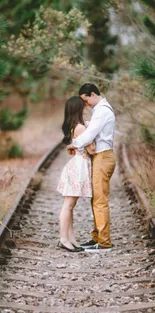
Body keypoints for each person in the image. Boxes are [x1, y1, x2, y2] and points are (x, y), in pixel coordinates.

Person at [67, 83, 116, 251]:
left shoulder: (102, 111)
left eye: (86, 100)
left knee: (100, 201)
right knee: (96, 199)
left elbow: (89, 135)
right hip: (100, 158)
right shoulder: (100, 110)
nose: (85, 104)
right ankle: (97, 237)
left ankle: (104, 243)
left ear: (93, 94)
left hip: (103, 157)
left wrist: (73, 144)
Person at [57, 96, 95, 252]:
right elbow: (92, 149)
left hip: (77, 164)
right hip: (79, 166)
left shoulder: (76, 126)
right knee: (69, 205)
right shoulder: (80, 127)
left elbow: (75, 147)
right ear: (78, 109)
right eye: (83, 106)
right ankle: (63, 239)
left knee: (70, 205)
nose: (86, 107)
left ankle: (71, 238)